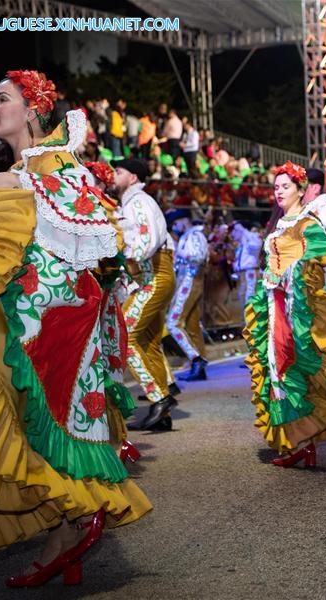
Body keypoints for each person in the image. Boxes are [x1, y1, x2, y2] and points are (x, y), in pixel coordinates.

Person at [0, 71, 150, 586]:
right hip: (31, 310)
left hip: (53, 316)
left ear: (33, 111)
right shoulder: (22, 169)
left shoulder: (52, 161)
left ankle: (76, 521)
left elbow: (87, 235)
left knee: (38, 414)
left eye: (2, 98)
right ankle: (66, 532)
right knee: (22, 413)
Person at [242, 161, 326, 466]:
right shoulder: (282, 224)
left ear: (301, 190)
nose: (279, 192)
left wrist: (292, 276)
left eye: (285, 186)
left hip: (295, 310)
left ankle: (306, 439)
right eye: (276, 187)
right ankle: (302, 443)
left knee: (300, 369)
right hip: (274, 307)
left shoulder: (306, 223)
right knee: (279, 371)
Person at [110, 158, 181, 431]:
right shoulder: (131, 202)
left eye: (119, 171)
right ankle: (162, 413)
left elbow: (146, 241)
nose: (113, 175)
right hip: (153, 274)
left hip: (153, 275)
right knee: (148, 341)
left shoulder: (138, 201)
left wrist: (123, 258)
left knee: (125, 335)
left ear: (133, 177)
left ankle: (159, 398)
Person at [167, 211, 210, 381]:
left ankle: (196, 359)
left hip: (189, 281)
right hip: (189, 281)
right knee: (192, 325)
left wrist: (180, 255)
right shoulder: (189, 235)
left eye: (176, 223)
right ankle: (199, 366)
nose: (175, 228)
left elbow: (198, 257)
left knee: (173, 323)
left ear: (183, 220)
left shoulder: (195, 235)